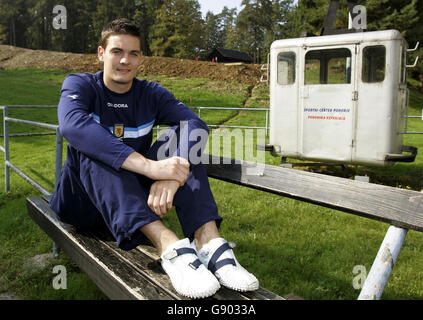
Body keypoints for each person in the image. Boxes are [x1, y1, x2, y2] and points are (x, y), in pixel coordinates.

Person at [49, 18, 259, 299]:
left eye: (133, 53)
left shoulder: (150, 93)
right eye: (116, 52)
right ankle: (168, 246)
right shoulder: (81, 84)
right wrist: (150, 167)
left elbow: (195, 125)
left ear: (141, 58)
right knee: (90, 145)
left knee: (183, 145)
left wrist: (172, 176)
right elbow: (72, 125)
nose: (125, 60)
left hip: (129, 203)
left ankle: (207, 241)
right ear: (101, 54)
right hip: (82, 205)